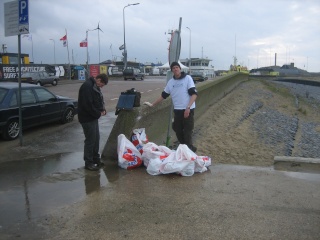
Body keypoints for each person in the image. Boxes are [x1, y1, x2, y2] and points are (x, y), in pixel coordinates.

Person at [145, 62, 198, 152]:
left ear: (180, 69)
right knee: (177, 130)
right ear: (172, 70)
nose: (175, 69)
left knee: (187, 132)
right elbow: (164, 95)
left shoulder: (187, 78)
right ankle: (186, 148)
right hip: (177, 110)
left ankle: (190, 150)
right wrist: (153, 104)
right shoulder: (171, 82)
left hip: (188, 110)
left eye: (177, 67)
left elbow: (194, 94)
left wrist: (188, 108)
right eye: (173, 68)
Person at [78, 73, 108, 171]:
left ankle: (96, 159)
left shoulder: (94, 86)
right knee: (90, 140)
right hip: (87, 118)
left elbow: (98, 99)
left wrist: (102, 109)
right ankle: (88, 162)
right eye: (102, 84)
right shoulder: (87, 87)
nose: (101, 87)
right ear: (98, 80)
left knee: (96, 139)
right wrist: (98, 114)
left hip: (93, 117)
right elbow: (87, 105)